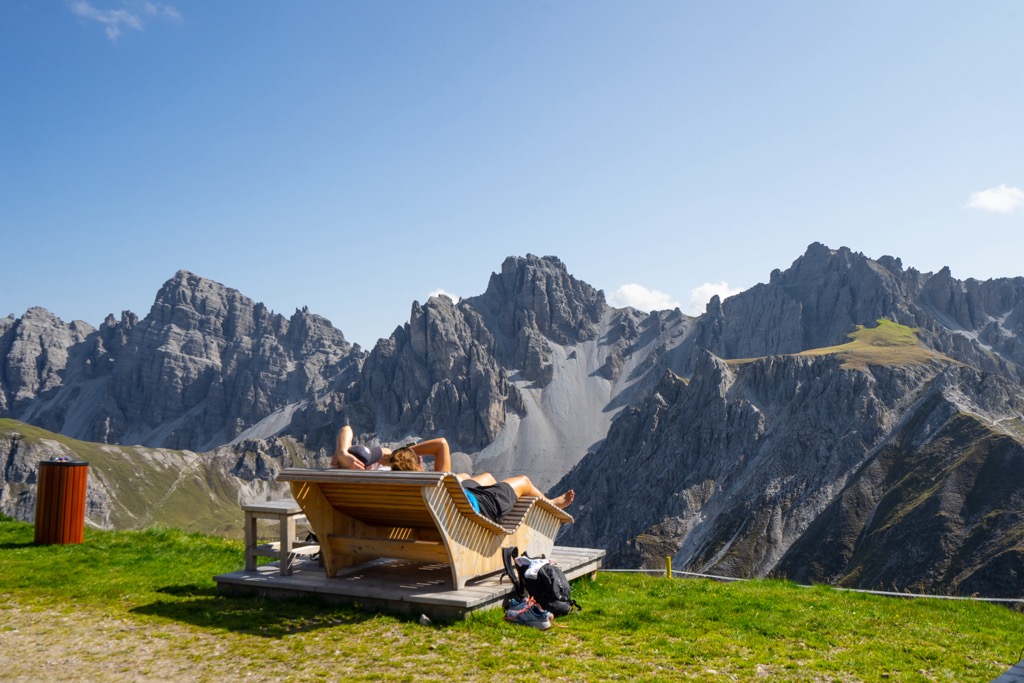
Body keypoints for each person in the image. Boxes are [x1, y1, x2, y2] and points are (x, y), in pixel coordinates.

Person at [329, 424, 574, 524]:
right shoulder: (432, 483)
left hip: (449, 504)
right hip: (473, 510)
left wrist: (342, 453)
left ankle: (482, 484)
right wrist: (404, 451)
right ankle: (550, 504)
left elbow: (347, 431)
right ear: (418, 465)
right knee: (524, 482)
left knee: (482, 475)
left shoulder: (373, 478)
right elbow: (442, 445)